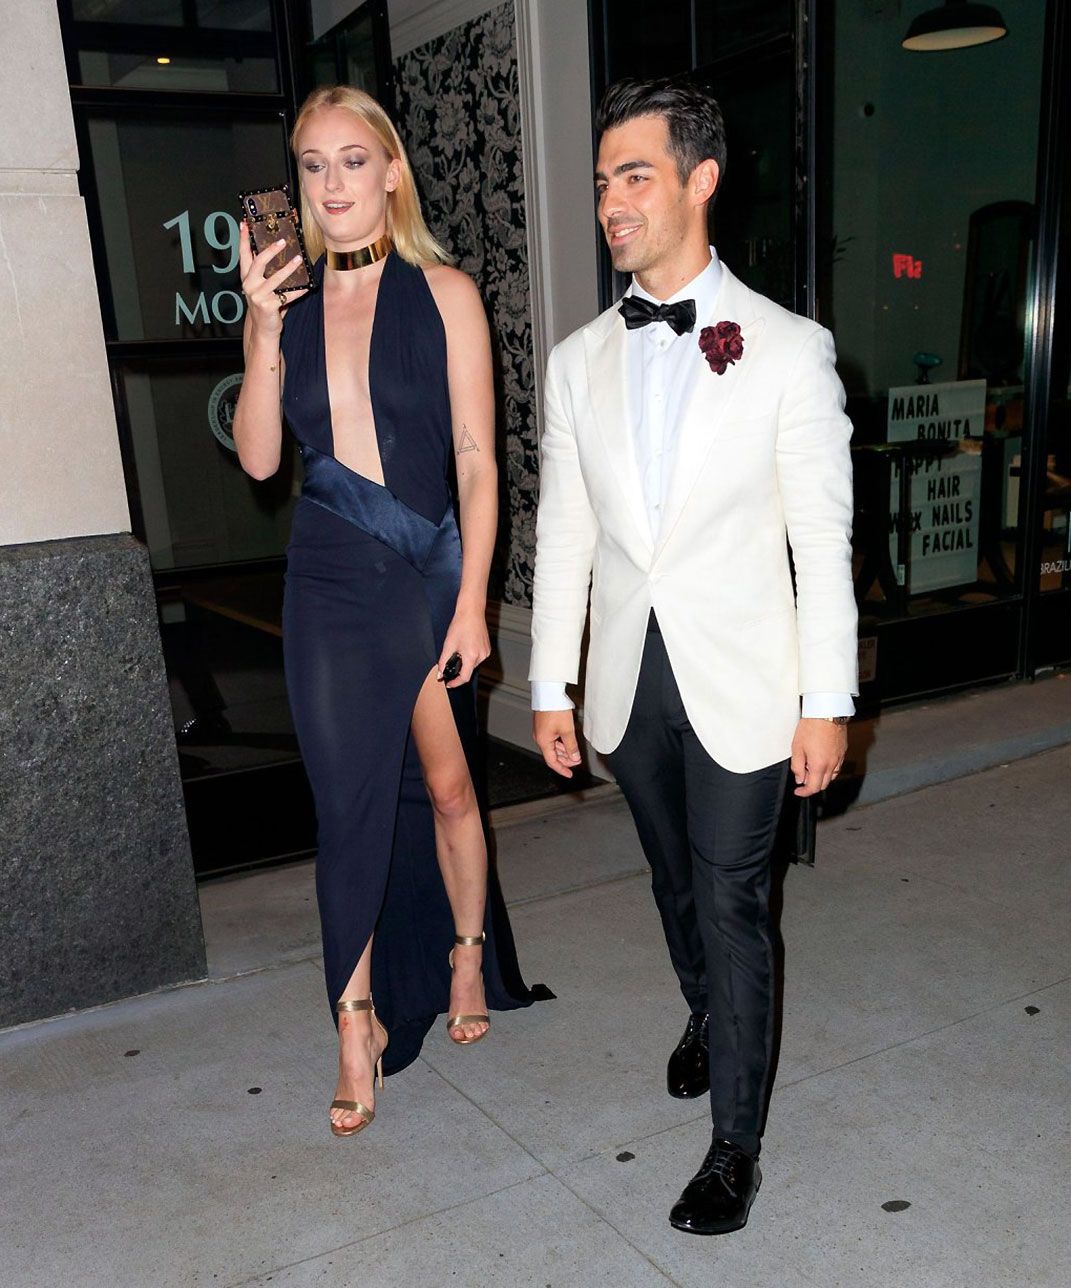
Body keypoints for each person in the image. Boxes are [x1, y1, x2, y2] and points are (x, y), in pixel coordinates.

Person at [529, 77, 858, 1234]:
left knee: (732, 899)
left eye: (635, 176)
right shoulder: (578, 360)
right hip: (630, 677)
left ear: (700, 180)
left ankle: (734, 1147)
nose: (611, 203)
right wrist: (551, 682)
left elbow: (822, 540)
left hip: (747, 680)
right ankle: (704, 1009)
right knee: (674, 885)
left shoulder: (790, 350)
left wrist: (827, 699)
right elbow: (565, 532)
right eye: (602, 181)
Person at [234, 85, 532, 1139]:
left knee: (448, 789)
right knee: (347, 807)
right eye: (313, 165)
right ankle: (353, 1022)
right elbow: (260, 460)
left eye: (353, 160)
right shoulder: (288, 304)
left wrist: (475, 603)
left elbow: (476, 462)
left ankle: (466, 957)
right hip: (325, 581)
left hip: (424, 575)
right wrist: (261, 327)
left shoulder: (444, 294)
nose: (332, 184)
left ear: (392, 170)